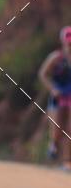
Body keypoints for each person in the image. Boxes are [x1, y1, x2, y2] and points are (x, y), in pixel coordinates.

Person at [38, 25, 71, 171]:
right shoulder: (56, 58)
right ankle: (54, 146)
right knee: (57, 129)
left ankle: (67, 161)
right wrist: (53, 89)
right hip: (58, 97)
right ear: (63, 41)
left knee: (69, 129)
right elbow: (43, 74)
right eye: (68, 42)